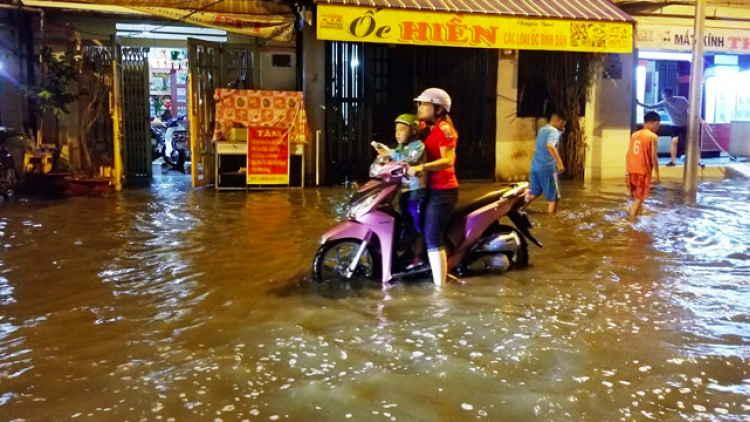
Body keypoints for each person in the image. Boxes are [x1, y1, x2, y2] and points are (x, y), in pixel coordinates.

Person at [406, 88, 458, 288]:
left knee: (432, 236)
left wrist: (422, 167)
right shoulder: (428, 128)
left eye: (424, 104)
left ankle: (440, 290)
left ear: (438, 109)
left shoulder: (445, 130)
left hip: (443, 190)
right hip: (429, 187)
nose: (419, 107)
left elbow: (448, 160)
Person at [390, 113, 427, 269]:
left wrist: (390, 154)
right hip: (404, 192)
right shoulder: (400, 147)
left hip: (417, 192)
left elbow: (407, 160)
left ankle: (418, 256)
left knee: (417, 226)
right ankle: (407, 253)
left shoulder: (418, 146)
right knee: (407, 221)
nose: (398, 133)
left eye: (402, 129)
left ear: (413, 131)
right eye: (396, 130)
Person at [523, 111, 566, 214]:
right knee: (553, 198)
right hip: (548, 169)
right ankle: (551, 221)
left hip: (535, 167)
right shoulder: (554, 131)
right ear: (560, 121)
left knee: (533, 193)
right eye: (564, 123)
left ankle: (519, 209)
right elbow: (550, 146)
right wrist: (560, 163)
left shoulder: (542, 130)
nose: (564, 125)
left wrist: (560, 131)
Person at [638, 88, 689, 167]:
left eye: (667, 96)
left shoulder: (681, 100)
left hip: (686, 124)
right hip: (674, 125)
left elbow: (691, 108)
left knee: (689, 142)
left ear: (672, 95)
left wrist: (697, 119)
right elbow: (651, 106)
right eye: (664, 97)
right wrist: (639, 103)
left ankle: (695, 160)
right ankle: (673, 161)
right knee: (674, 141)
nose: (666, 98)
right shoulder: (664, 103)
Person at [626, 111, 661, 217]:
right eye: (658, 125)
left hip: (631, 170)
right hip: (643, 171)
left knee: (637, 197)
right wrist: (657, 175)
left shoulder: (634, 135)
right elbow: (654, 157)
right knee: (639, 198)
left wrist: (626, 172)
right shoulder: (652, 137)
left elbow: (628, 154)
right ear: (655, 123)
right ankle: (631, 222)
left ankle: (638, 215)